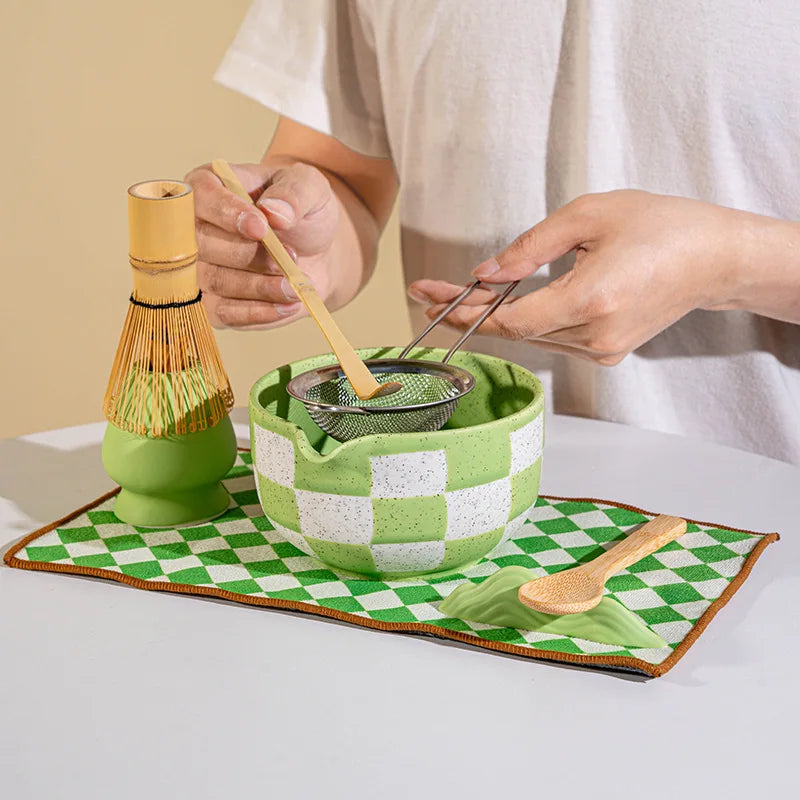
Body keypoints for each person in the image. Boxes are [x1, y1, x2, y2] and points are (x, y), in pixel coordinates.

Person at [186, 0, 800, 464]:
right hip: (463, 505)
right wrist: (296, 243)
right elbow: (341, 177)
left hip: (765, 513)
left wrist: (726, 263)